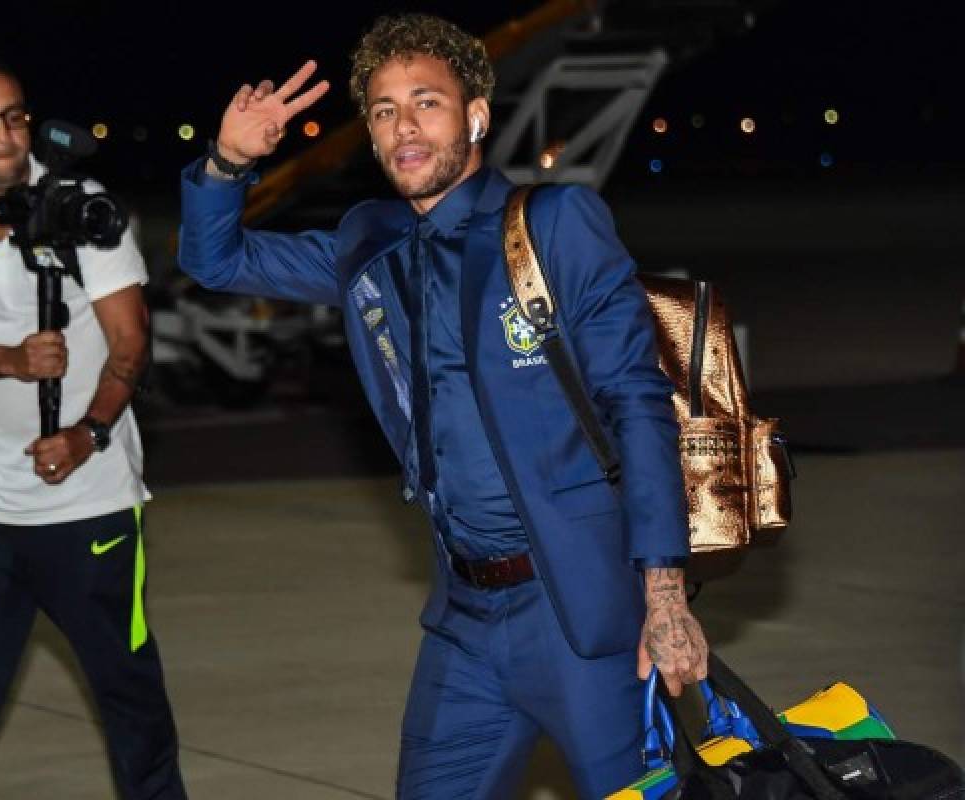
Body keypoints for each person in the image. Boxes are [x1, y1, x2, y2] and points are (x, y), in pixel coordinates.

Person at [179, 14, 707, 799]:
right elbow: (214, 260)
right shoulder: (370, 242)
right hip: (463, 619)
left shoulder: (553, 224)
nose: (404, 127)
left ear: (477, 116)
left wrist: (664, 594)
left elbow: (637, 398)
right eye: (385, 111)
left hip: (580, 613)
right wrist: (226, 164)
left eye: (427, 102)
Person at [0, 56, 186, 799]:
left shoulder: (82, 210)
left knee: (130, 700)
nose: (3, 134)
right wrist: (14, 362)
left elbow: (130, 344)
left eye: (14, 115)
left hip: (89, 507)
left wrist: (87, 433)